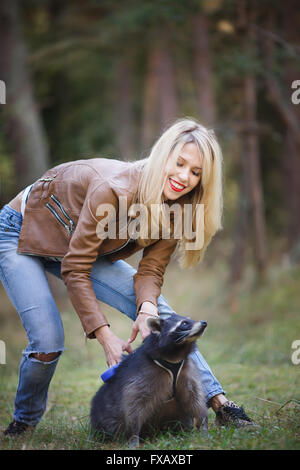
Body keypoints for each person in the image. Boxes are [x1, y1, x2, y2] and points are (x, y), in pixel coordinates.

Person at [0, 118, 256, 437]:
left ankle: (220, 403)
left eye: (195, 172)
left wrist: (146, 307)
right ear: (164, 154)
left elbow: (150, 270)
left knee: (159, 312)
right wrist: (106, 337)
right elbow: (76, 269)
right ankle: (24, 422)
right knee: (48, 340)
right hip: (21, 231)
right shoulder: (113, 189)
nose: (183, 177)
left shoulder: (178, 207)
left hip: (75, 245)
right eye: (179, 163)